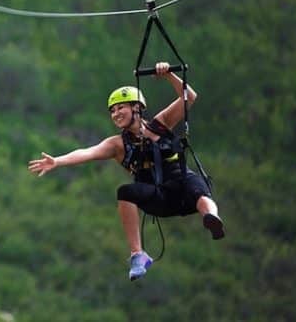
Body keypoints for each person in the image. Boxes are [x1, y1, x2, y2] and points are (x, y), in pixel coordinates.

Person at [28, 62, 224, 281]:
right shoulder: (117, 144)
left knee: (196, 186)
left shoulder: (161, 124)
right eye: (112, 111)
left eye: (120, 107)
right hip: (158, 198)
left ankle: (211, 218)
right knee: (126, 192)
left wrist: (169, 74)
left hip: (183, 190)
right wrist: (57, 161)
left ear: (137, 108)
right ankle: (137, 255)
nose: (116, 114)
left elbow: (189, 96)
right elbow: (87, 152)